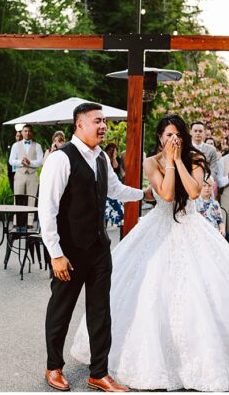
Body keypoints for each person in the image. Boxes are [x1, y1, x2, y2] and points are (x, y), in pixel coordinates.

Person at [68, 113, 229, 392]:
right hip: (159, 226)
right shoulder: (151, 162)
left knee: (205, 290)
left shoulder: (196, 159)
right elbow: (166, 193)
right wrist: (169, 162)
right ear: (160, 138)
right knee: (148, 290)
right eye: (168, 135)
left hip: (191, 226)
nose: (173, 139)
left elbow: (194, 191)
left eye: (177, 135)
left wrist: (178, 162)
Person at [38, 102, 146, 393]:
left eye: (104, 121)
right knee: (61, 309)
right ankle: (53, 366)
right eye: (97, 121)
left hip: (99, 249)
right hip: (70, 252)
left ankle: (99, 372)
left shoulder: (100, 157)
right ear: (79, 124)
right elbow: (46, 210)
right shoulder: (61, 159)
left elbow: (116, 190)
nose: (103, 126)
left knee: (101, 312)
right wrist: (56, 254)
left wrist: (145, 193)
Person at [9, 124, 44, 232]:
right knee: (18, 197)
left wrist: (30, 162)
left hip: (32, 175)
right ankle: (16, 221)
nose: (27, 133)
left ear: (31, 133)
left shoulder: (37, 146)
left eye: (29, 131)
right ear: (22, 132)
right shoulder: (15, 145)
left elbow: (40, 161)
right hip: (20, 174)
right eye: (25, 131)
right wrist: (21, 162)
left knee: (31, 198)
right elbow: (11, 160)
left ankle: (29, 222)